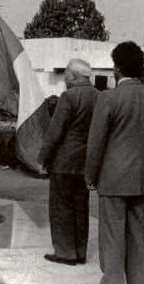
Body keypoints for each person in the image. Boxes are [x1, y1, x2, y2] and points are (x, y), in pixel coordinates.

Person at [84, 42, 144, 284]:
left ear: (117, 67)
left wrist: (90, 175)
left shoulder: (107, 98)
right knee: (140, 233)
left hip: (113, 176)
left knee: (112, 233)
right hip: (140, 176)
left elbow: (96, 143)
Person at [37, 58, 100, 266]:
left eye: (66, 76)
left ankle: (65, 252)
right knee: (80, 207)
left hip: (64, 161)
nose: (65, 80)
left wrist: (43, 157)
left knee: (61, 206)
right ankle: (80, 251)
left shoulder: (69, 97)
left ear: (73, 76)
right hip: (85, 162)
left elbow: (56, 130)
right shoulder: (99, 96)